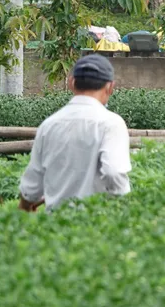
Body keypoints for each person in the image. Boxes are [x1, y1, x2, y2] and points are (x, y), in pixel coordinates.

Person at [19, 54, 132, 212]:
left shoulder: (49, 125)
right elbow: (114, 173)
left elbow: (32, 185)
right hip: (98, 220)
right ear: (110, 87)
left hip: (55, 221)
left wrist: (24, 208)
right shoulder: (111, 123)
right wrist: (126, 208)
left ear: (71, 82)